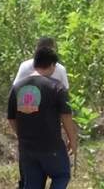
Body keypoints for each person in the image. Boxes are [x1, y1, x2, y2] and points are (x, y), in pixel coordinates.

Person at [7, 47, 78, 189]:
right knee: (61, 175)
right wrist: (73, 140)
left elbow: (11, 119)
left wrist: (23, 136)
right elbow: (66, 117)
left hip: (27, 148)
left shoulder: (17, 88)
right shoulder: (56, 87)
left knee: (32, 185)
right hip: (51, 145)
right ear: (52, 65)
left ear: (35, 63)